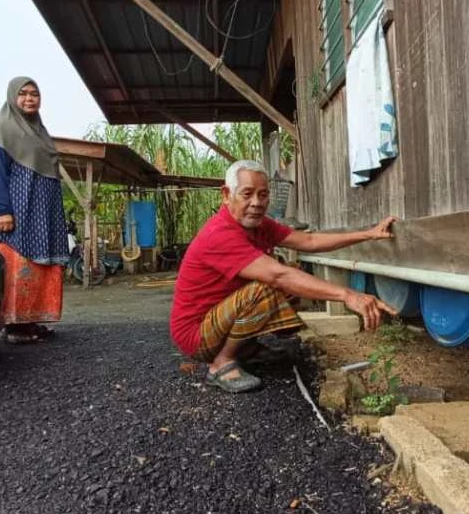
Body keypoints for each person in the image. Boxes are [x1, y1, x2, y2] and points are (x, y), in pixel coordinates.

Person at [170, 159, 398, 393]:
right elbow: (278, 275)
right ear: (227, 195)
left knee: (289, 275)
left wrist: (368, 234)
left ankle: (246, 349)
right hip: (196, 336)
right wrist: (347, 295)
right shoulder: (220, 234)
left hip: (218, 318)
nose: (257, 203)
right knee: (268, 285)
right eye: (247, 194)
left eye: (263, 194)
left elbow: (309, 241)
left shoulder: (259, 225)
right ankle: (220, 363)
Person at [0, 77, 70, 344]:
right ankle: (15, 326)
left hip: (42, 215)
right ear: (12, 97)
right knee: (19, 264)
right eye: (23, 94)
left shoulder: (40, 132)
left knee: (41, 264)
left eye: (34, 94)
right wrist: (1, 211)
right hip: (18, 214)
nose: (30, 99)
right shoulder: (1, 129)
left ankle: (30, 321)